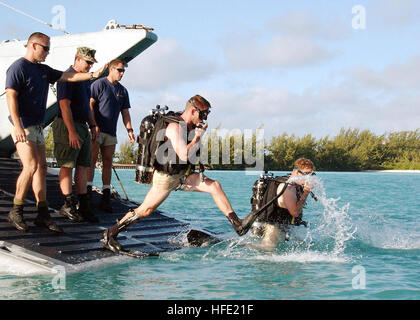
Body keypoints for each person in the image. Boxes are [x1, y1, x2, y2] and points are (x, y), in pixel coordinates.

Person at [101, 95, 257, 253]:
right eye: (203, 115)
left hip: (182, 175)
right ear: (193, 111)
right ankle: (110, 234)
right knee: (145, 210)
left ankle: (238, 224)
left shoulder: (188, 125)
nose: (204, 119)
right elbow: (183, 155)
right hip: (166, 178)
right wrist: (197, 137)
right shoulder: (175, 128)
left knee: (214, 186)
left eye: (207, 115)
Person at [5, 32, 107, 233]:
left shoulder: (43, 70)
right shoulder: (18, 67)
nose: (48, 52)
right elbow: (11, 97)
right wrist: (17, 126)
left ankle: (42, 214)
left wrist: (93, 75)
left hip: (36, 125)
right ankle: (15, 210)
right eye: (45, 48)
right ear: (33, 45)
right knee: (31, 165)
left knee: (41, 167)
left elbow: (68, 76)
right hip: (23, 124)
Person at [53, 47, 101, 223]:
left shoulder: (84, 81)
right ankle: (67, 204)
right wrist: (71, 131)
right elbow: (64, 105)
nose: (89, 66)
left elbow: (87, 106)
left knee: (83, 165)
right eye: (88, 62)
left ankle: (83, 204)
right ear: (78, 59)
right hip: (68, 125)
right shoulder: (68, 77)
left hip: (82, 125)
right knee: (67, 165)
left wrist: (93, 124)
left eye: (91, 63)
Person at [87, 59, 135, 213]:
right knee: (91, 160)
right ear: (111, 69)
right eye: (119, 70)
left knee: (108, 162)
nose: (122, 74)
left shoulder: (123, 91)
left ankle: (106, 196)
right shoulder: (99, 84)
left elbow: (125, 112)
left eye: (123, 71)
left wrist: (129, 130)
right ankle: (86, 194)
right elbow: (90, 105)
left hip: (111, 132)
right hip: (96, 130)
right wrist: (93, 125)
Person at [252, 158, 315, 249]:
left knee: (303, 245)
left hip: (283, 224)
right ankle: (242, 247)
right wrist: (306, 193)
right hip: (272, 225)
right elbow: (295, 212)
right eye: (307, 174)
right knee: (268, 248)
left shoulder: (295, 183)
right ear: (296, 172)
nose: (309, 178)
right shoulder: (288, 188)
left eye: (312, 174)